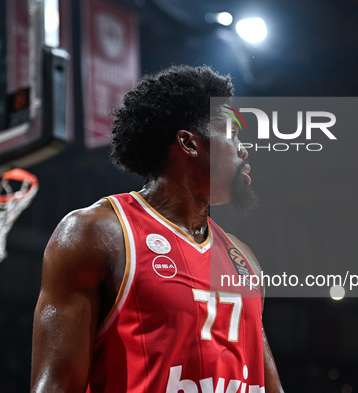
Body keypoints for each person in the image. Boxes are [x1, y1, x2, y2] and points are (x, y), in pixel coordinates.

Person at [31, 65, 284, 393]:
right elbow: (55, 386)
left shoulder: (243, 259)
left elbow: (268, 386)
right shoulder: (98, 234)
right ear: (189, 144)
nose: (243, 149)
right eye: (232, 134)